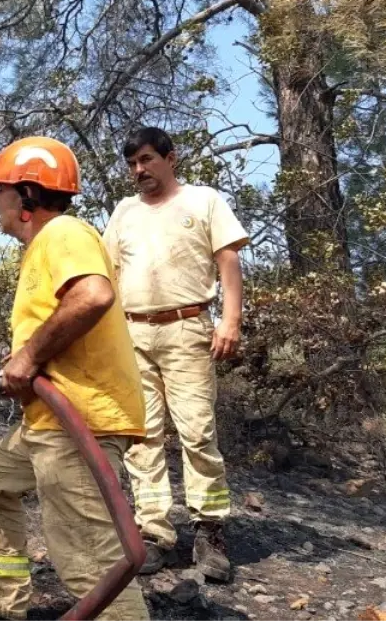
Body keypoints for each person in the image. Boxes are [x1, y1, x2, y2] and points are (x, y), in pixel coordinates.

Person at [0, 137, 149, 621]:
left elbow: (93, 296)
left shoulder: (63, 233)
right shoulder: (39, 252)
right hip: (50, 420)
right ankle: (8, 606)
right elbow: (43, 349)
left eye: (0, 191)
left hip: (78, 420)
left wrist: (28, 356)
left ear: (27, 196)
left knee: (90, 563)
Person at [102, 126, 248, 582]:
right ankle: (154, 532)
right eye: (131, 164)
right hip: (132, 333)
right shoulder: (124, 212)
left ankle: (209, 531)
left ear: (170, 158)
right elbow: (108, 273)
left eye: (146, 159)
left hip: (187, 327)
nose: (138, 170)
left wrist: (230, 321)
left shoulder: (203, 201)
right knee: (142, 436)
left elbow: (228, 262)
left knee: (197, 431)